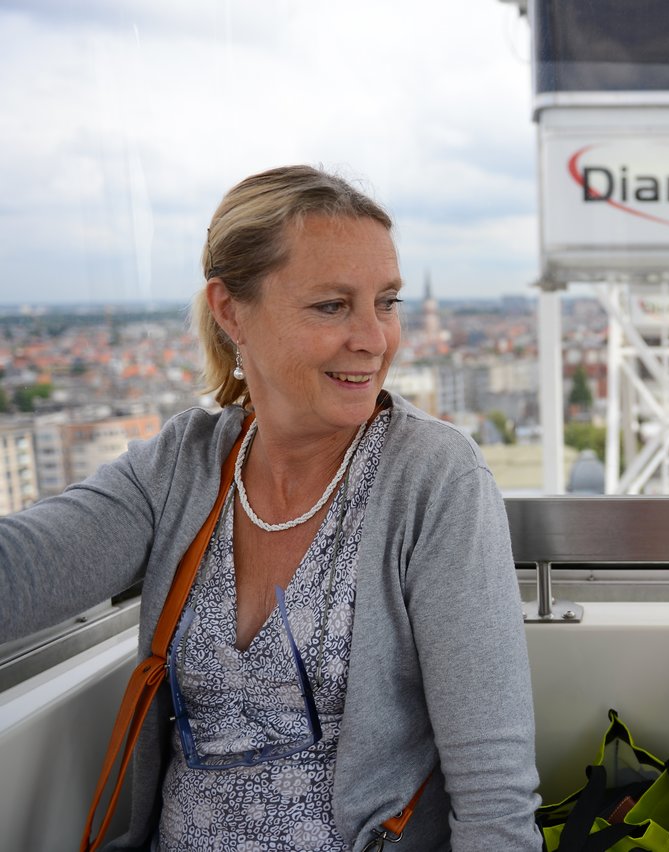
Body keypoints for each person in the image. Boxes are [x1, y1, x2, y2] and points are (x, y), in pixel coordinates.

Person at [0, 165, 542, 851]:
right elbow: (22, 571)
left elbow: (494, 792)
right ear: (231, 312)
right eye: (332, 305)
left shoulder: (432, 478)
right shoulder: (184, 464)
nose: (374, 339)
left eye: (388, 301)